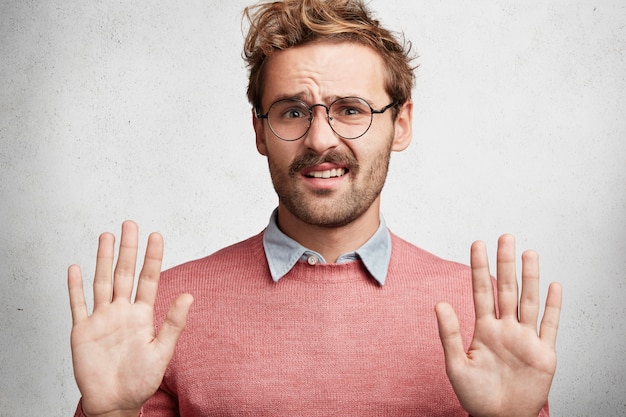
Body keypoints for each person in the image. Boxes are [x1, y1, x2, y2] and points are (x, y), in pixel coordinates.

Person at [67, 0, 563, 416]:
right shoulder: (162, 312)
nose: (321, 139)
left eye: (351, 110)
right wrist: (107, 414)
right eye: (293, 112)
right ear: (260, 131)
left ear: (402, 124)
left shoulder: (486, 315)